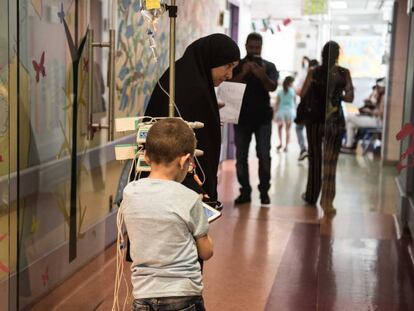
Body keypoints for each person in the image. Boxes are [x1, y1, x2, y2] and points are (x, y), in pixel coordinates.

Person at [122, 118, 213, 311]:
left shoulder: (130, 193)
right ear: (184, 160)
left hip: (144, 295)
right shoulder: (190, 199)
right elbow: (206, 252)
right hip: (184, 294)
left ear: (146, 157)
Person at [145, 34, 240, 204]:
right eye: (228, 66)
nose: (229, 74)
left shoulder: (187, 77)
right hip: (178, 185)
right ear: (212, 58)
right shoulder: (192, 88)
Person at [300, 41, 354, 216]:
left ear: (323, 54)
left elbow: (303, 94)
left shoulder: (314, 72)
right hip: (335, 121)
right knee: (331, 162)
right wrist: (336, 96)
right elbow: (350, 97)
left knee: (314, 159)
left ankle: (311, 196)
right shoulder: (343, 73)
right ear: (338, 55)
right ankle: (328, 202)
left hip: (315, 121)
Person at [231, 32, 279, 205]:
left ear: (261, 47)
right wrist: (243, 73)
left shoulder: (269, 66)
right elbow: (228, 86)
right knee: (241, 157)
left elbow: (272, 87)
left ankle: (264, 192)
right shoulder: (236, 65)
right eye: (251, 47)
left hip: (263, 119)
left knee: (264, 156)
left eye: (257, 47)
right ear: (245, 46)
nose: (254, 51)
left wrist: (261, 75)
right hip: (241, 118)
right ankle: (245, 192)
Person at [342, 78, 385, 153]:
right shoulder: (380, 95)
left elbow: (381, 113)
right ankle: (350, 145)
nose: (377, 88)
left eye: (379, 87)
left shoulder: (385, 96)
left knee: (349, 117)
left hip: (378, 121)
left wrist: (370, 111)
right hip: (374, 119)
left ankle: (342, 137)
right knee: (350, 124)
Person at [295, 59, 319, 161]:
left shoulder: (304, 76)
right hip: (317, 110)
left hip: (306, 108)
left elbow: (300, 93)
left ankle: (303, 149)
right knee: (312, 130)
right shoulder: (322, 77)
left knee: (299, 128)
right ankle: (311, 151)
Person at [275, 76, 296, 152]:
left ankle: (280, 143)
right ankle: (286, 146)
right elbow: (294, 102)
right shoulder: (293, 91)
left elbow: (277, 103)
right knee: (288, 130)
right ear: (290, 82)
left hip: (281, 112)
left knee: (279, 128)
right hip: (290, 112)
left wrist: (274, 113)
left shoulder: (280, 91)